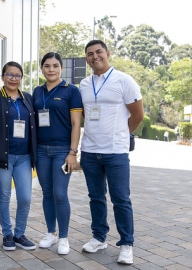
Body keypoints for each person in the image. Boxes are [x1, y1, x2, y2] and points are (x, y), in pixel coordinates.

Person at [79, 40, 144, 264]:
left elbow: (138, 115)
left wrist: (121, 136)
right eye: (90, 54)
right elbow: (86, 115)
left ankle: (126, 244)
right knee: (96, 198)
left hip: (115, 152)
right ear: (87, 58)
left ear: (107, 53)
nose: (95, 56)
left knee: (121, 199)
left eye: (99, 52)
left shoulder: (124, 80)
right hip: (89, 151)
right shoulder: (84, 84)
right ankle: (99, 237)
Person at [0, 61, 37, 251]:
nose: (13, 78)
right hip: (2, 158)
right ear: (3, 76)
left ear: (22, 78)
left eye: (17, 75)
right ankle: (7, 234)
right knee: (4, 197)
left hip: (24, 158)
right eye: (9, 74)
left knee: (25, 198)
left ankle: (19, 233)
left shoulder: (28, 99)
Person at [33, 52, 83, 255]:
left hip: (63, 149)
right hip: (41, 150)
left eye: (55, 66)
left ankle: (64, 237)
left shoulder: (71, 90)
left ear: (61, 68)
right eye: (47, 66)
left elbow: (76, 123)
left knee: (60, 193)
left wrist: (73, 152)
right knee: (46, 193)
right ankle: (50, 233)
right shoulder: (37, 91)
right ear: (42, 68)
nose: (51, 69)